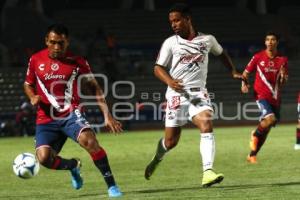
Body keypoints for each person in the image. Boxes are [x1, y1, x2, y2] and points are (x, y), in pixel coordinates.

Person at [144, 3, 243, 187]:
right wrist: (170, 82)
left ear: (188, 19)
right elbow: (157, 68)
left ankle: (207, 172)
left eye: (177, 20)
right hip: (175, 94)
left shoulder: (207, 40)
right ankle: (157, 158)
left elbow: (221, 53)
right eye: (171, 21)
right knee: (171, 141)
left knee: (206, 122)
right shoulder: (170, 43)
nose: (173, 24)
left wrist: (233, 71)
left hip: (198, 94)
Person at [24, 24, 123, 198]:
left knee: (90, 142)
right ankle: (73, 166)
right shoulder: (35, 60)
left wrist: (107, 116)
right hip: (46, 118)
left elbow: (95, 89)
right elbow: (28, 84)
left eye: (60, 43)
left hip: (70, 113)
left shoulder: (78, 62)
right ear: (46, 41)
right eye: (53, 42)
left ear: (67, 42)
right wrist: (32, 96)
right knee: (44, 158)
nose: (56, 47)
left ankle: (112, 186)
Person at [241, 31, 288, 163]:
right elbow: (245, 73)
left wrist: (284, 77)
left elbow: (283, 82)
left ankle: (252, 154)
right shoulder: (258, 57)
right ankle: (255, 134)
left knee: (267, 128)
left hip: (275, 97)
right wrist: (244, 84)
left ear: (277, 42)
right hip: (260, 94)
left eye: (273, 40)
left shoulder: (283, 60)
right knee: (270, 120)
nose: (269, 42)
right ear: (265, 42)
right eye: (267, 40)